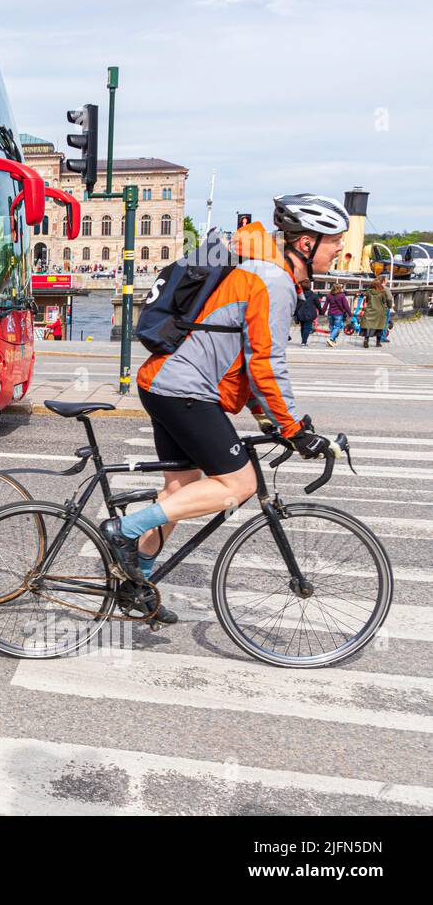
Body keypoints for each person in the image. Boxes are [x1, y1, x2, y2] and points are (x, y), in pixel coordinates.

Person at [119, 194, 346, 625]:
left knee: (179, 491)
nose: (340, 251)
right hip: (184, 388)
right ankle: (125, 532)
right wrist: (294, 429)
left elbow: (244, 356)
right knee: (237, 486)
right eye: (334, 242)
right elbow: (266, 361)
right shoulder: (273, 280)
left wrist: (272, 420)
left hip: (164, 382)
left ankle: (135, 583)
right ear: (306, 244)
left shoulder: (255, 266)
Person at [359, 276, 393, 348]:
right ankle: (378, 343)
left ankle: (366, 339)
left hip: (370, 310)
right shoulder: (383, 292)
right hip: (380, 311)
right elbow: (387, 300)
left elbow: (367, 300)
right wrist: (389, 306)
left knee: (368, 326)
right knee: (379, 326)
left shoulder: (369, 291)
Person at [323, 282, 349, 346]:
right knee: (337, 327)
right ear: (340, 288)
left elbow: (325, 305)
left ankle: (333, 341)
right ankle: (331, 338)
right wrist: (350, 314)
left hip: (330, 314)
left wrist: (322, 312)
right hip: (338, 314)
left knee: (332, 327)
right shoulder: (342, 295)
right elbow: (346, 306)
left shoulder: (329, 295)